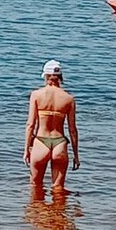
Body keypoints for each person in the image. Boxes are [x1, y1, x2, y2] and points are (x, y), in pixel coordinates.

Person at [24, 60, 80, 193]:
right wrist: (76, 155)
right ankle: (58, 213)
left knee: (35, 186)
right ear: (60, 77)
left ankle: (38, 212)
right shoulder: (68, 98)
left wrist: (26, 149)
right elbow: (72, 130)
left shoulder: (36, 95)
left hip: (40, 142)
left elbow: (30, 125)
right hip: (59, 143)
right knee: (58, 189)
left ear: (46, 76)